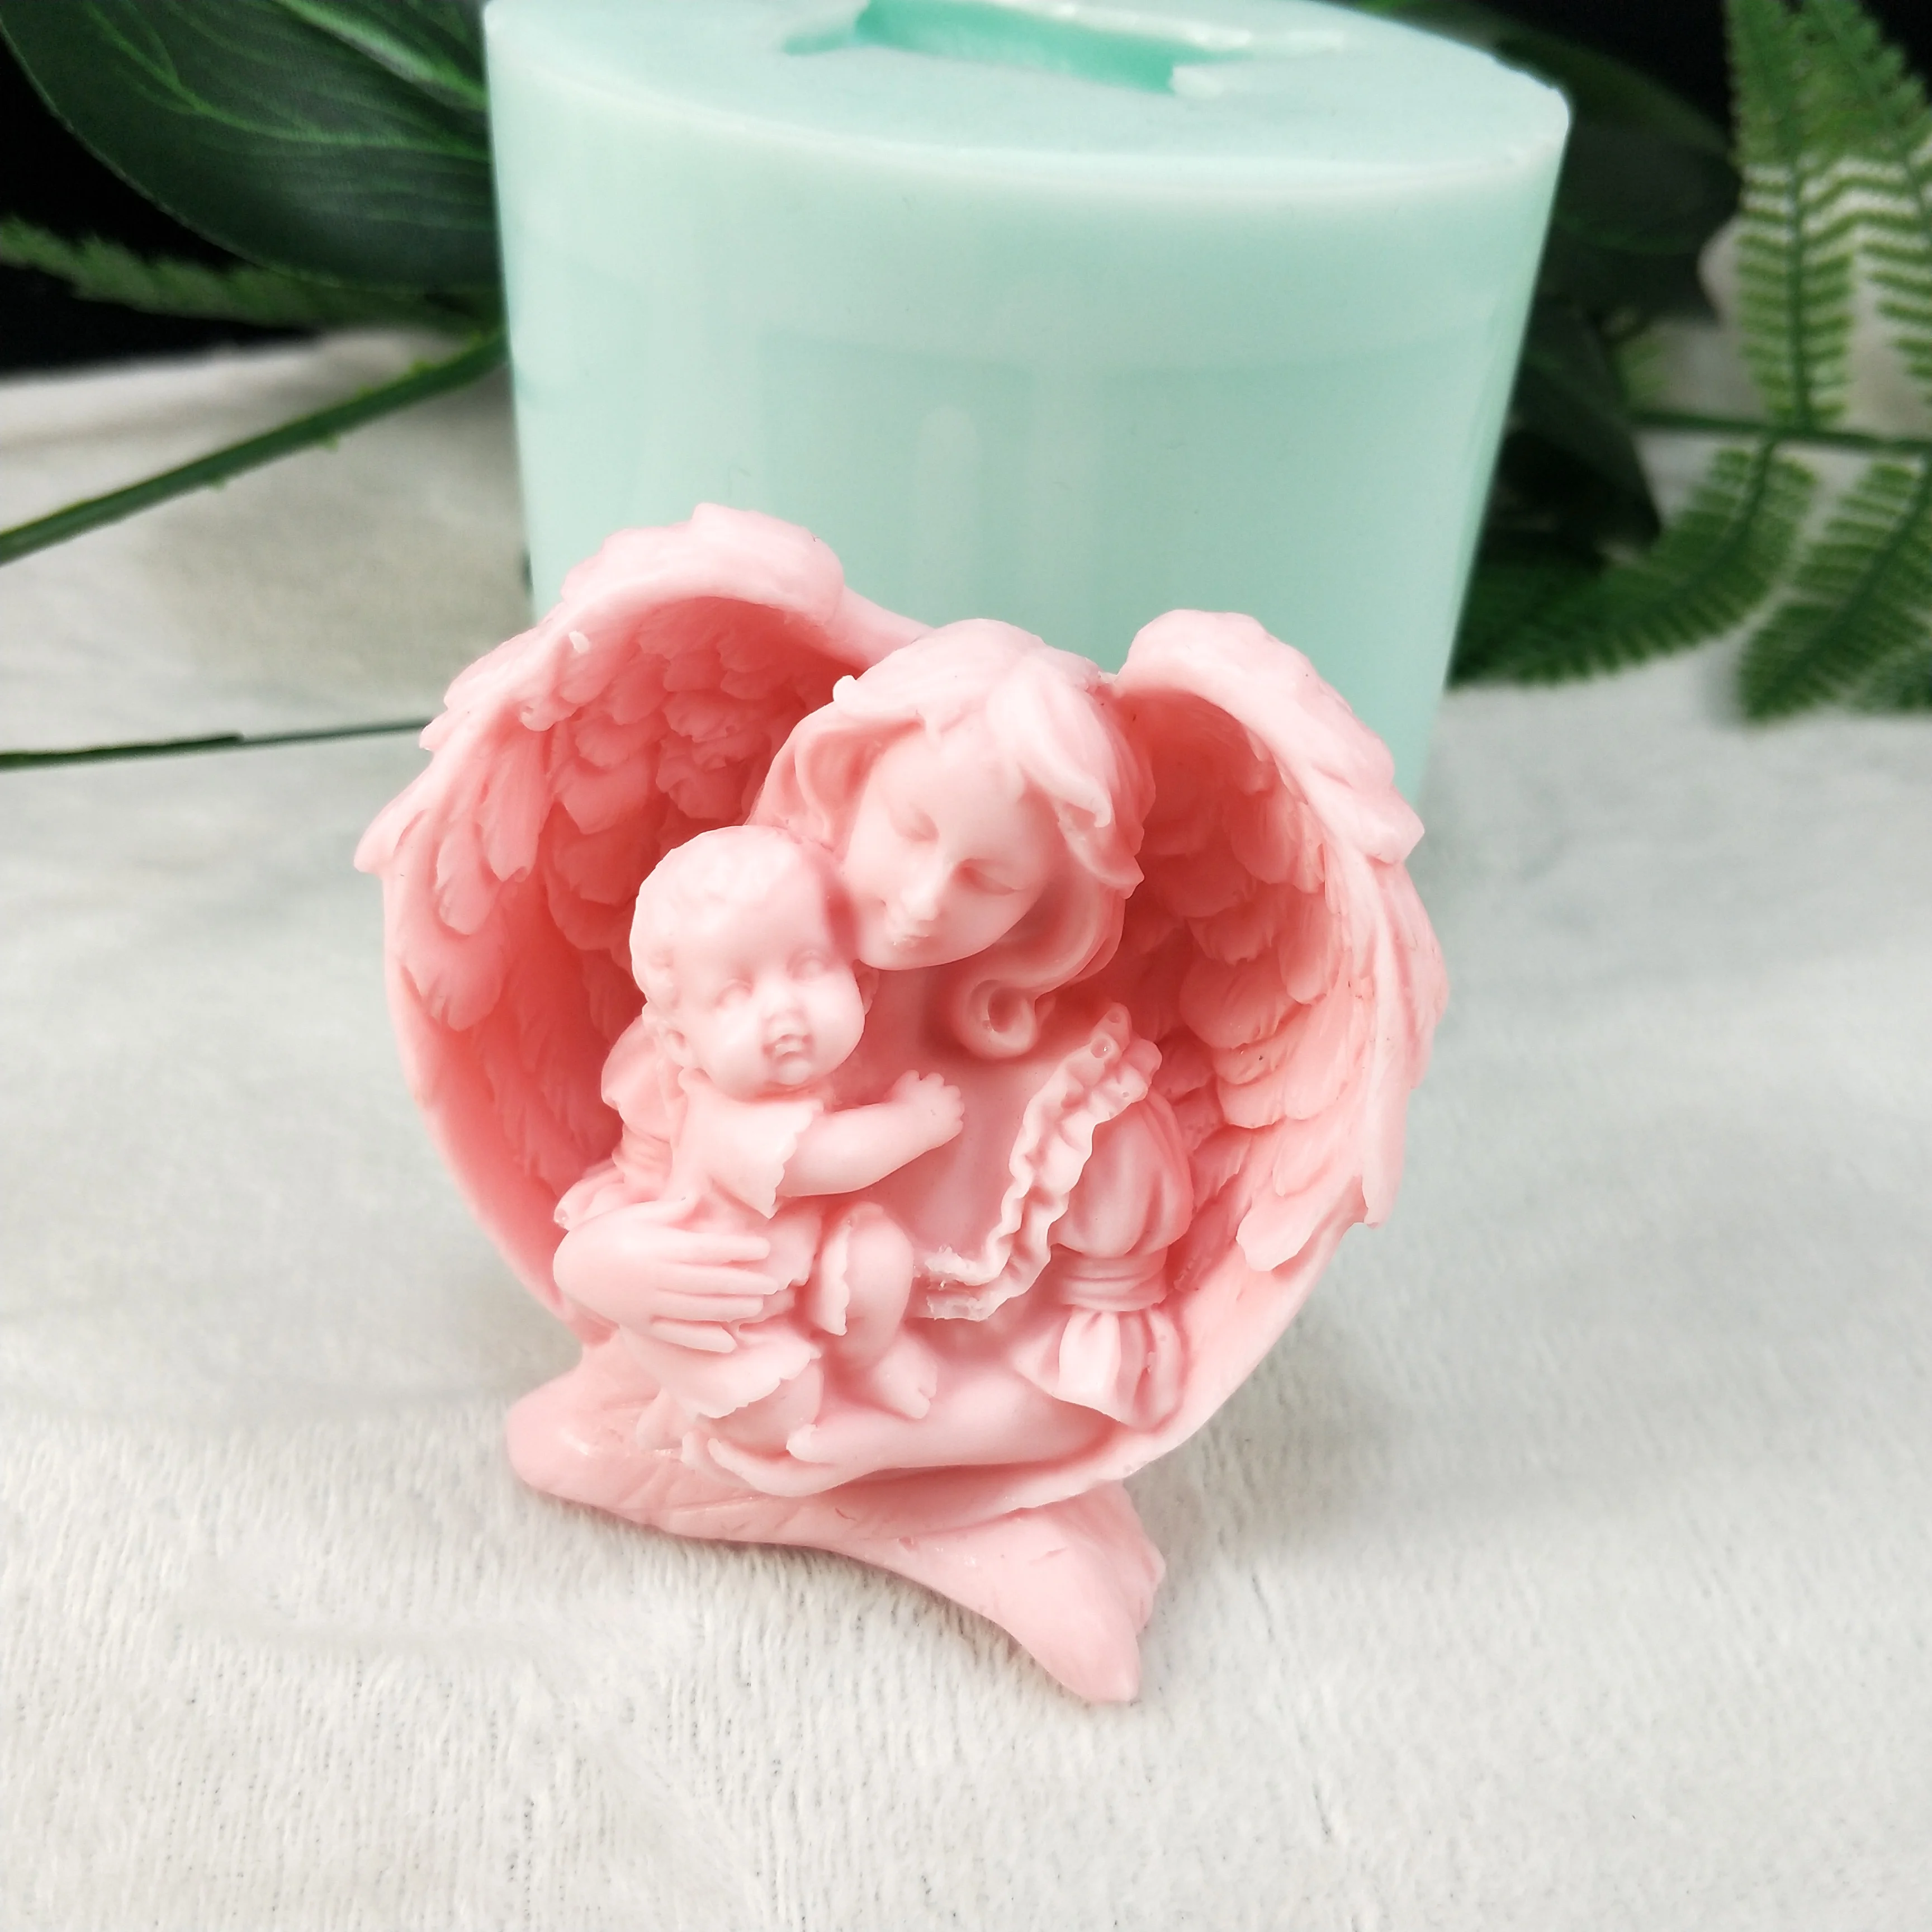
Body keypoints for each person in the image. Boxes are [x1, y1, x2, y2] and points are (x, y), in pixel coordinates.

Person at [558, 623, 1197, 1494]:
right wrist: (594, 1268)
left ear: (1047, 910)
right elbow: (633, 1250)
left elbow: (1099, 1397)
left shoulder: (1083, 1123)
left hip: (889, 1446)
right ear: (847, 784)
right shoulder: (720, 1032)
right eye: (911, 828)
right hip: (733, 1389)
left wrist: (884, 1445)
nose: (925, 900)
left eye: (990, 880)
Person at [553, 825, 964, 1457]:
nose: (782, 1011)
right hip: (721, 1320)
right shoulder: (731, 1119)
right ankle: (696, 1414)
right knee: (783, 1407)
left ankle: (869, 1360)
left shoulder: (804, 1087)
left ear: (859, 984)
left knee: (879, 1252)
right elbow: (830, 1158)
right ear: (681, 1041)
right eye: (734, 995)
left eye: (809, 967)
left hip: (798, 1274)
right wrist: (916, 1121)